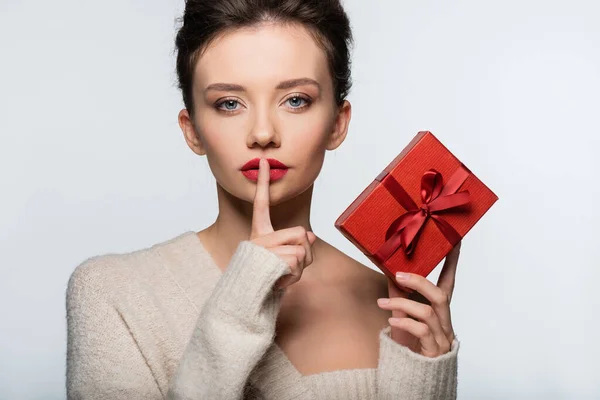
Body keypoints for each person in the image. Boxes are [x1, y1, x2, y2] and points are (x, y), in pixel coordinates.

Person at [65, 0, 461, 398]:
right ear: (193, 131)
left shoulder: (391, 305)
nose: (263, 133)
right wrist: (242, 296)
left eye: (295, 100)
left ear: (337, 124)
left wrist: (423, 373)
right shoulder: (115, 293)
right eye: (229, 104)